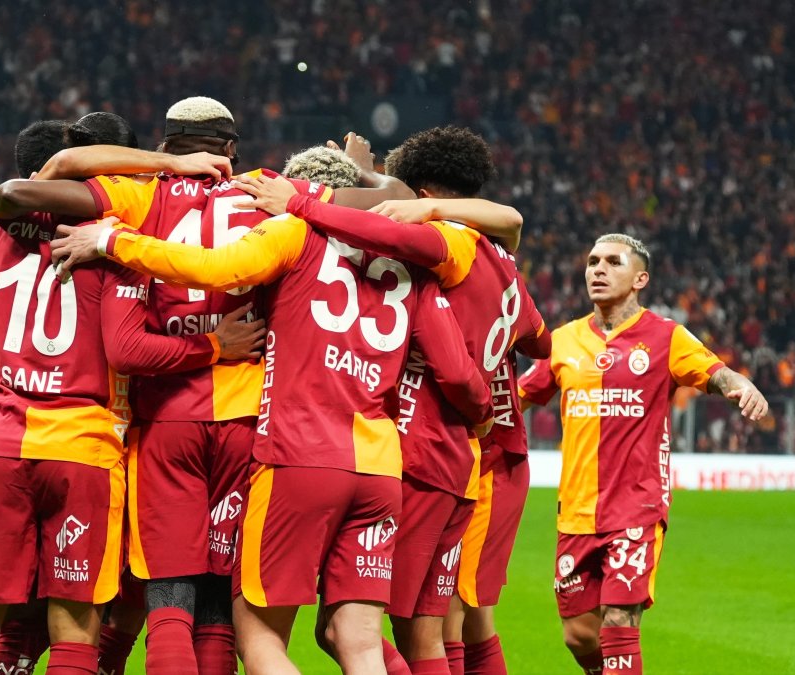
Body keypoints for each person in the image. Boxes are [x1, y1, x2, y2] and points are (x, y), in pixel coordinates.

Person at [0, 97, 412, 675]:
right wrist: (352, 174)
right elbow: (401, 200)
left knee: (168, 604)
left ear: (164, 148)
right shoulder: (267, 189)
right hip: (249, 425)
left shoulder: (141, 195)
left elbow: (31, 190)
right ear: (232, 149)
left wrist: (148, 179)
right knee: (220, 606)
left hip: (167, 421)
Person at [58, 178, 495, 674]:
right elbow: (454, 365)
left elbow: (215, 267)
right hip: (378, 468)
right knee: (363, 646)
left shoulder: (294, 232)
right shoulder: (414, 264)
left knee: (259, 638)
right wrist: (483, 416)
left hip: (296, 457)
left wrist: (111, 239)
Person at [0, 116, 263, 675]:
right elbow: (127, 348)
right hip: (91, 444)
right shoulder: (110, 242)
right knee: (89, 619)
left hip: (1, 439)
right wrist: (211, 345)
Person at [236, 125, 545, 674]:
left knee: (366, 632)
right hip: (467, 457)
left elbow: (399, 237)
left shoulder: (448, 244)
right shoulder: (505, 262)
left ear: (423, 197)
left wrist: (308, 198)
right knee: (435, 628)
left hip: (419, 448)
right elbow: (539, 338)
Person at [518, 234, 768, 675]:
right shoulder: (564, 341)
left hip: (637, 506)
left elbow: (718, 373)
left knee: (619, 621)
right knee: (578, 634)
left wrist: (741, 386)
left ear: (640, 279)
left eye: (613, 262)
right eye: (592, 261)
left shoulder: (666, 337)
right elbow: (516, 396)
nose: (597, 269)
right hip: (576, 511)